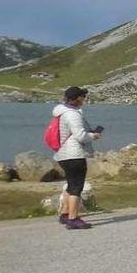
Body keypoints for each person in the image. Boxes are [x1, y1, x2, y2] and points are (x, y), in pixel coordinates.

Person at [52, 86, 101, 230]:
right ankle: (73, 218)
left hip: (63, 154)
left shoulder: (61, 112)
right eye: (83, 97)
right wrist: (94, 135)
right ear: (77, 98)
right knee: (77, 187)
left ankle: (65, 213)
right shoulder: (72, 114)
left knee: (70, 184)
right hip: (74, 154)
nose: (84, 99)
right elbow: (80, 136)